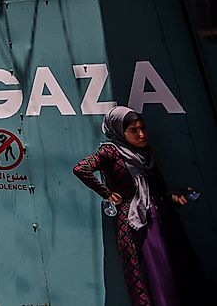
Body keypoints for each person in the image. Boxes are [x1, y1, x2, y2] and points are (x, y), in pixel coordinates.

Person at [73, 106, 206, 305]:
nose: (142, 134)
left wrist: (176, 199)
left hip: (162, 218)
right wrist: (107, 193)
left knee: (176, 271)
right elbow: (81, 169)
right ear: (119, 130)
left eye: (143, 128)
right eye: (134, 130)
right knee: (151, 274)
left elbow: (158, 190)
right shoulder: (111, 152)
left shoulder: (146, 154)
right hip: (136, 224)